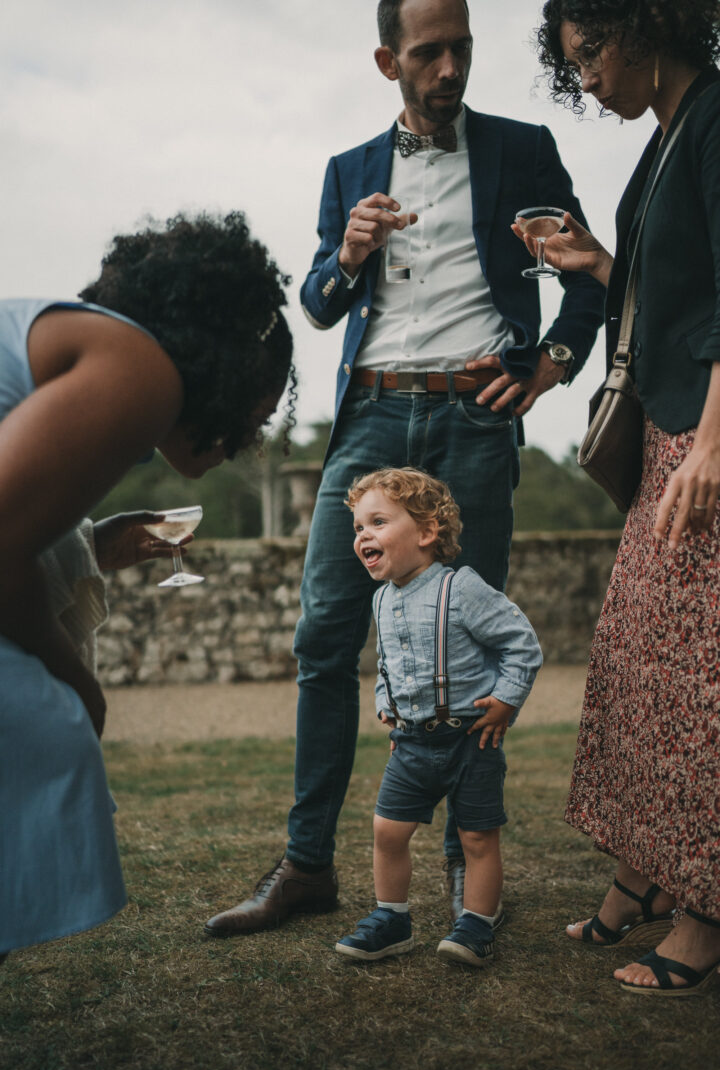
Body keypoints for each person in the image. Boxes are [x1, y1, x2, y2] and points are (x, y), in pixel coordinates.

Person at [205, 0, 604, 938]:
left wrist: (553, 362)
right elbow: (315, 303)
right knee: (324, 638)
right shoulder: (349, 171)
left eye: (461, 49)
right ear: (389, 60)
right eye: (429, 53)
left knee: (472, 648)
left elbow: (584, 273)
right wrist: (348, 253)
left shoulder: (523, 148)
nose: (450, 68)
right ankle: (307, 866)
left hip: (476, 413)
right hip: (373, 417)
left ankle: (472, 878)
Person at [0, 211, 295, 962]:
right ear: (230, 369)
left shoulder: (89, 343)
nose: (247, 439)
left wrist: (94, 546)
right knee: (51, 734)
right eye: (257, 413)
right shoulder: (140, 371)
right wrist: (77, 686)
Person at [519, 0, 720, 996]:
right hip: (670, 440)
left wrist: (715, 443)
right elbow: (672, 285)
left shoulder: (717, 117)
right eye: (575, 63)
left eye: (593, 50)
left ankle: (704, 911)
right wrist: (597, 263)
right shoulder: (670, 133)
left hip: (705, 440)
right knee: (637, 667)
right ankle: (643, 874)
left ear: (651, 23)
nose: (587, 77)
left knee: (696, 687)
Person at [333, 468, 542, 967]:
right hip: (412, 745)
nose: (364, 536)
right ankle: (391, 918)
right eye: (359, 527)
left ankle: (476, 923)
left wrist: (507, 700)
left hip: (471, 740)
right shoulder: (382, 599)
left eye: (378, 522)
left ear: (427, 532)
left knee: (476, 836)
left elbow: (521, 644)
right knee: (387, 831)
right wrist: (390, 706)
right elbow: (388, 661)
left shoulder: (461, 589)